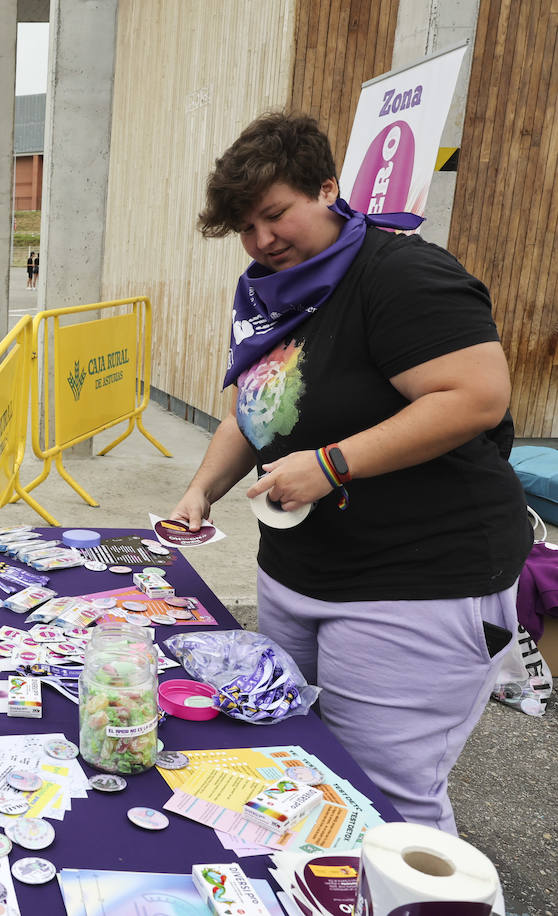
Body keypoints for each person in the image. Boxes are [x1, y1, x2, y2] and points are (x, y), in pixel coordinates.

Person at [168, 111, 531, 834]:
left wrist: (334, 464)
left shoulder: (403, 274)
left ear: (328, 188)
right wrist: (201, 488)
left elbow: (478, 396)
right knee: (297, 768)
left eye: (275, 215)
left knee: (383, 799)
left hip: (416, 581)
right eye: (245, 227)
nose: (262, 240)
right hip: (301, 574)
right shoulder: (277, 291)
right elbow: (255, 406)